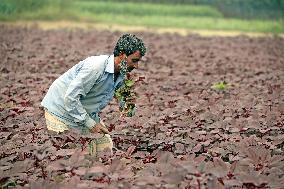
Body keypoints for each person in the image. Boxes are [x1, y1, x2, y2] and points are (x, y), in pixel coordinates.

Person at [41, 33, 146, 157]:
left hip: (83, 112)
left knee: (105, 149)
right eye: (134, 60)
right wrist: (90, 124)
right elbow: (70, 98)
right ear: (122, 55)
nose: (136, 66)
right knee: (71, 155)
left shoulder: (122, 72)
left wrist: (128, 102)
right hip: (60, 112)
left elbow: (121, 96)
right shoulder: (95, 68)